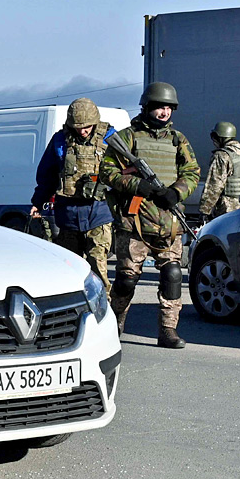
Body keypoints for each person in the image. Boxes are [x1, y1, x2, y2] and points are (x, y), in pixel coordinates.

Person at [101, 82, 200, 349]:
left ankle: (168, 330)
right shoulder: (127, 138)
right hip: (135, 223)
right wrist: (138, 186)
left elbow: (192, 172)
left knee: (172, 275)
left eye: (168, 107)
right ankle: (115, 323)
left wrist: (177, 192)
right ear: (147, 107)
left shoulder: (178, 140)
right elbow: (107, 171)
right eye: (159, 107)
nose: (164, 112)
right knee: (126, 278)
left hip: (169, 222)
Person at [29, 98, 115, 289]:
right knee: (69, 268)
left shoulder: (110, 139)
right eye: (77, 127)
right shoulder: (60, 141)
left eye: (87, 127)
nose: (82, 131)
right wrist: (38, 201)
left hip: (98, 213)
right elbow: (47, 175)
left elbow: (125, 173)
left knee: (97, 264)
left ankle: (105, 310)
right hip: (68, 215)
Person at [199, 121, 240, 221]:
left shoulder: (222, 156)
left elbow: (214, 186)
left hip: (228, 211)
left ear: (220, 137)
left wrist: (204, 210)